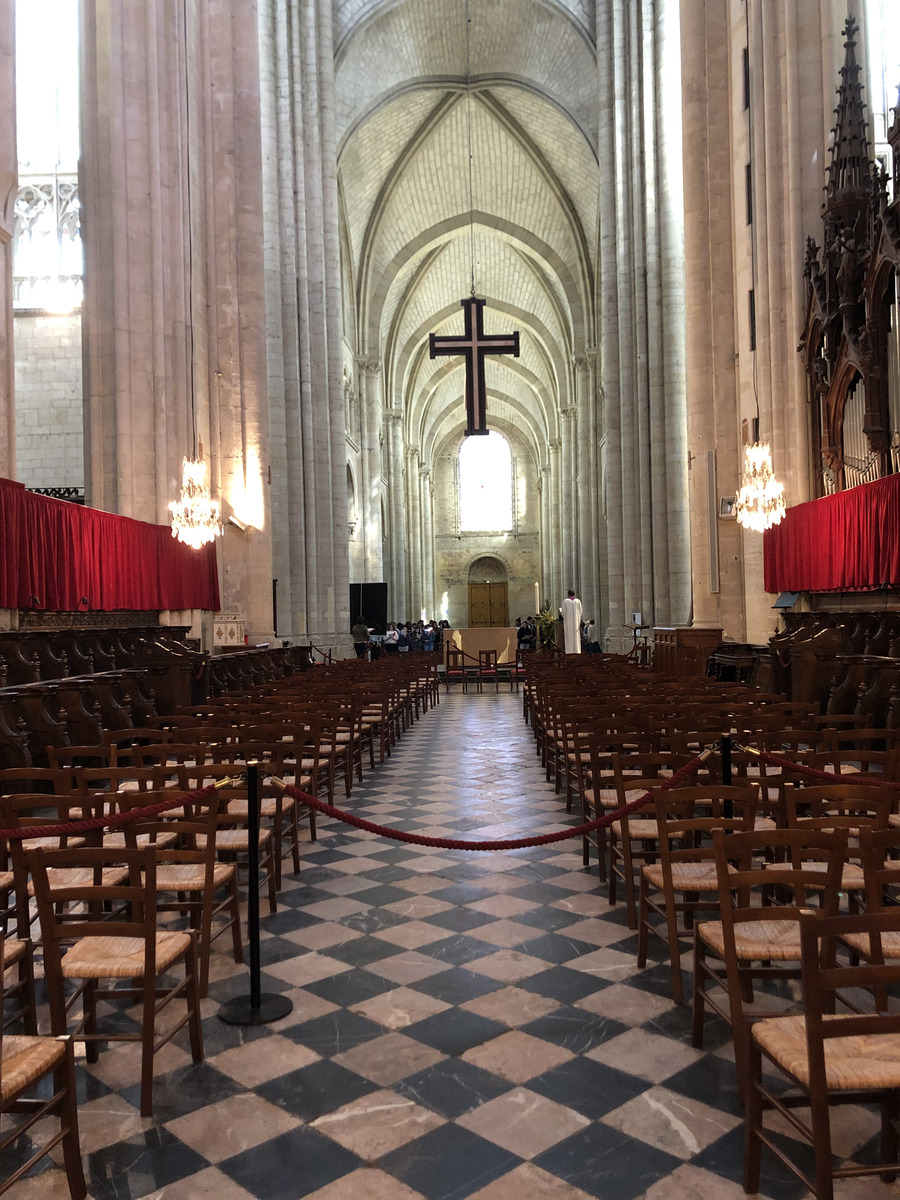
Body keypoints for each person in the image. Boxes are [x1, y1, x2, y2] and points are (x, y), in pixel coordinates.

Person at [561, 589, 583, 654]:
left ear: (568, 594)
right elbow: (581, 611)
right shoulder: (578, 601)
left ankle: (569, 652)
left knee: (569, 637)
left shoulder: (565, 601)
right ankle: (577, 652)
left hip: (568, 624)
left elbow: (563, 612)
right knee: (576, 637)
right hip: (576, 624)